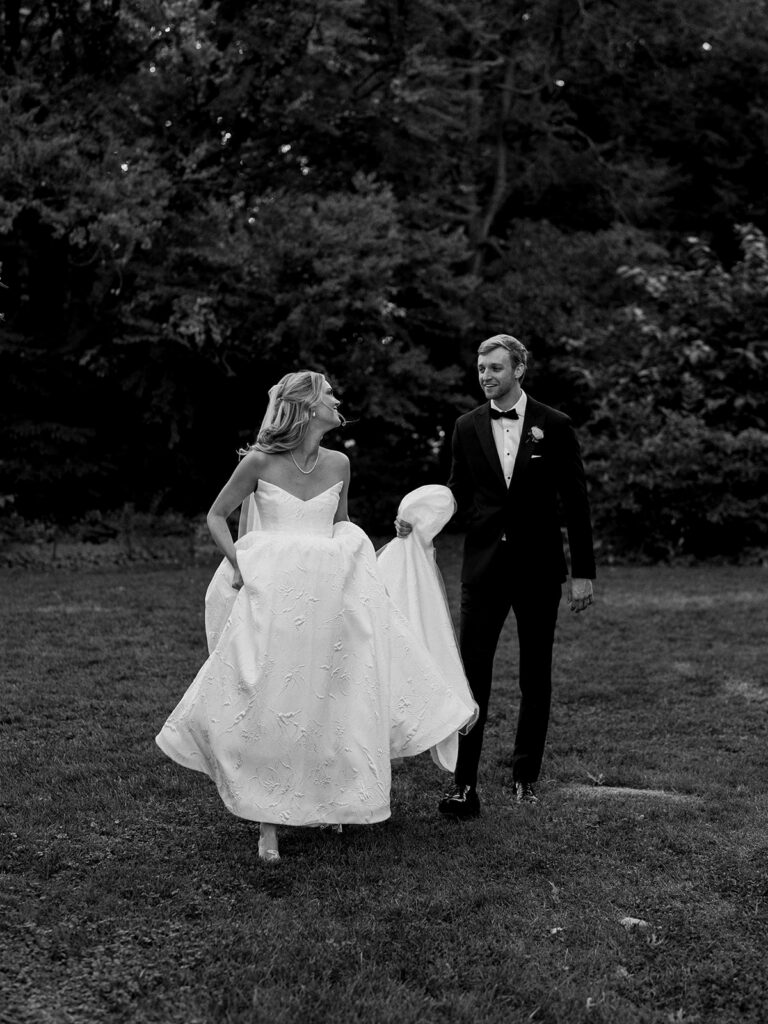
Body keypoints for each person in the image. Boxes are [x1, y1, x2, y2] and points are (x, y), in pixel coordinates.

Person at [155, 370, 477, 862]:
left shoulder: (340, 463)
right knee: (274, 693)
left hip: (328, 594)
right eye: (328, 394)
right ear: (306, 407)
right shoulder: (261, 461)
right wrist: (239, 564)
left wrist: (391, 540)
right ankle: (268, 819)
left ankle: (333, 799)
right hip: (275, 591)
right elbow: (217, 515)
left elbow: (341, 523)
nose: (336, 399)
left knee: (332, 693)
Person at [396, 334, 595, 817]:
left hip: (539, 568)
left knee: (535, 675)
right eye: (481, 369)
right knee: (471, 677)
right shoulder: (466, 426)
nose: (486, 376)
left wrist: (583, 573)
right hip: (483, 569)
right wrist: (419, 521)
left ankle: (526, 776)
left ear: (519, 369)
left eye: (496, 368)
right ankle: (464, 785)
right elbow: (456, 493)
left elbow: (575, 501)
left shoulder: (555, 424)